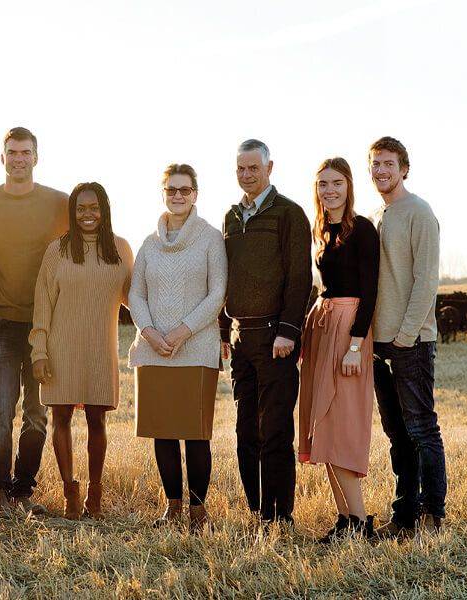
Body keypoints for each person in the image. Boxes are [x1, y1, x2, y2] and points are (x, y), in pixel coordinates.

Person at [0, 127, 69, 514]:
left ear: (36, 157)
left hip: (47, 326)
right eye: (12, 152)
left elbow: (90, 239)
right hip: (1, 325)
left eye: (25, 152)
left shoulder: (59, 203)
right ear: (2, 158)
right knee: (1, 412)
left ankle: (23, 491)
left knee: (37, 413)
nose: (18, 159)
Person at [129, 164, 227, 531]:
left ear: (196, 194)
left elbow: (217, 293)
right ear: (163, 193)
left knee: (195, 434)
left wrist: (182, 331)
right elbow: (136, 292)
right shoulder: (149, 243)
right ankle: (172, 508)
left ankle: (198, 513)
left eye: (185, 190)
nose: (178, 196)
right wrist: (150, 332)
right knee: (163, 433)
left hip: (196, 349)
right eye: (172, 190)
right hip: (154, 350)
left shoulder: (210, 238)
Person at [219, 139, 312, 526]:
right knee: (245, 429)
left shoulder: (289, 213)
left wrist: (289, 330)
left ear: (269, 168)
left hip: (277, 336)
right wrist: (224, 329)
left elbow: (299, 277)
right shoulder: (231, 217)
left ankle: (280, 515)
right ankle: (258, 512)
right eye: (240, 168)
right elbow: (226, 276)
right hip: (241, 338)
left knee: (274, 428)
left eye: (253, 168)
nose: (246, 175)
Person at [29, 182, 133, 520]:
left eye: (94, 207)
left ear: (104, 209)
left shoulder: (120, 249)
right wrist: (39, 350)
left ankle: (95, 497)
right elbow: (43, 302)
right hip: (61, 346)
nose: (88, 215)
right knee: (61, 417)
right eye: (81, 209)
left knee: (97, 419)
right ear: (73, 213)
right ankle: (70, 494)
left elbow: (135, 298)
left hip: (101, 348)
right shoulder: (57, 250)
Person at [368, 136, 446, 537]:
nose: (381, 170)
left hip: (410, 342)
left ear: (404, 168)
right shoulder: (376, 215)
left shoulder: (419, 212)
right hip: (379, 344)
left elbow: (425, 280)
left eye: (388, 163)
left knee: (421, 429)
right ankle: (405, 516)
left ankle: (434, 514)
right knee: (396, 433)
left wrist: (404, 336)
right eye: (375, 164)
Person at [298, 157, 379, 542]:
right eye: (322, 184)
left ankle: (361, 521)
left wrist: (355, 345)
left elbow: (370, 291)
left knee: (343, 425)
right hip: (324, 327)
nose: (329, 190)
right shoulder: (322, 230)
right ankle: (346, 520)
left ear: (349, 186)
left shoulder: (362, 230)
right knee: (323, 428)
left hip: (349, 331)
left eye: (336, 183)